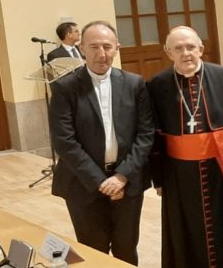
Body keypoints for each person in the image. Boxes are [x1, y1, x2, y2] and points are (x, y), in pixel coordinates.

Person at [48, 21, 153, 265]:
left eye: (107, 46)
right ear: (82, 48)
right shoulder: (65, 87)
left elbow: (146, 134)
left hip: (127, 183)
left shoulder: (134, 83)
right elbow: (64, 141)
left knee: (127, 250)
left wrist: (121, 177)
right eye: (94, 46)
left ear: (117, 48)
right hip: (82, 184)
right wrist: (101, 182)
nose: (101, 53)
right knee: (93, 253)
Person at [148, 26, 223, 267]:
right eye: (178, 48)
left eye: (191, 47)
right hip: (178, 172)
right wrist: (158, 178)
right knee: (184, 226)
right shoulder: (157, 84)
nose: (186, 53)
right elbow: (153, 134)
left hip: (221, 166)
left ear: (201, 49)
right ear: (168, 52)